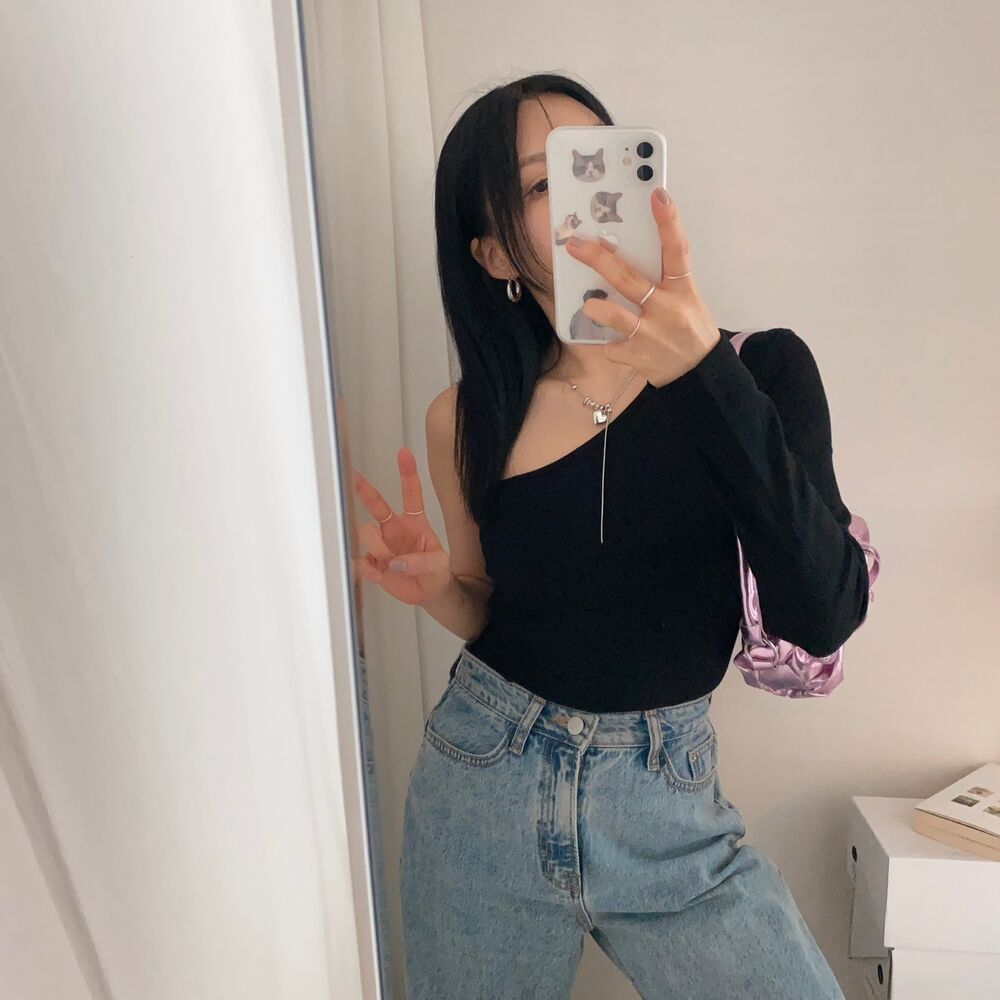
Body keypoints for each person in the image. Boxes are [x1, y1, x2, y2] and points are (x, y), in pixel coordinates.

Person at [352, 73, 868, 1000]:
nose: (588, 194)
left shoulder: (759, 369)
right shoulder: (465, 418)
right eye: (541, 180)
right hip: (482, 783)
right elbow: (489, 611)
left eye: (601, 159)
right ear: (494, 254)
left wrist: (701, 369)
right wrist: (435, 589)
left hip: (667, 804)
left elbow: (823, 612)